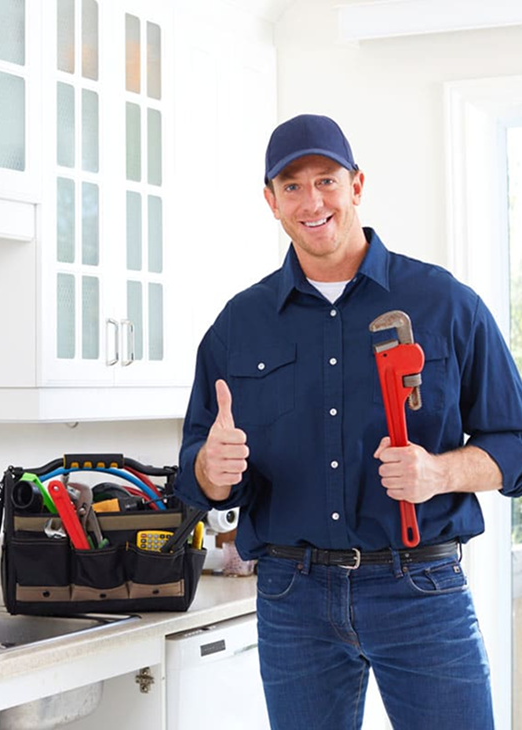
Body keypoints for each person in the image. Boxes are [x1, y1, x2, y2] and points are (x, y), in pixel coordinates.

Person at [175, 113, 522, 730]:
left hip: (420, 590)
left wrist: (439, 472)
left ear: (356, 185)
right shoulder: (239, 325)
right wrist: (211, 468)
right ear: (271, 201)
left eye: (327, 181)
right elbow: (197, 477)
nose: (312, 201)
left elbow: (516, 443)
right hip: (292, 597)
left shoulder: (445, 304)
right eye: (291, 186)